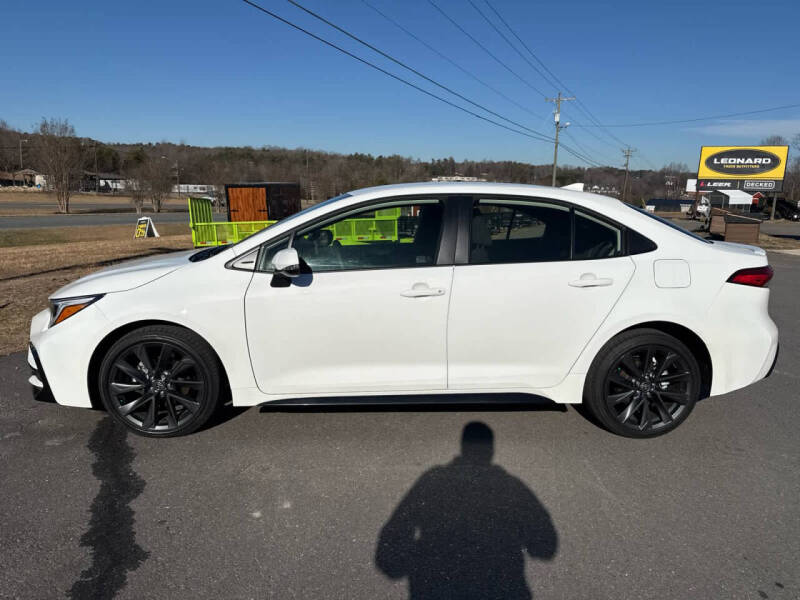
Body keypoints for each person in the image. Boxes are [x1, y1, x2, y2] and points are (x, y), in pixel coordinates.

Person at [375, 422, 558, 599]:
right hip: (499, 587)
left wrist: (416, 559)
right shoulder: (511, 486)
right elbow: (546, 546)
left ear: (462, 448)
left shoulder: (433, 479)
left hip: (436, 586)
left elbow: (396, 530)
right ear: (491, 452)